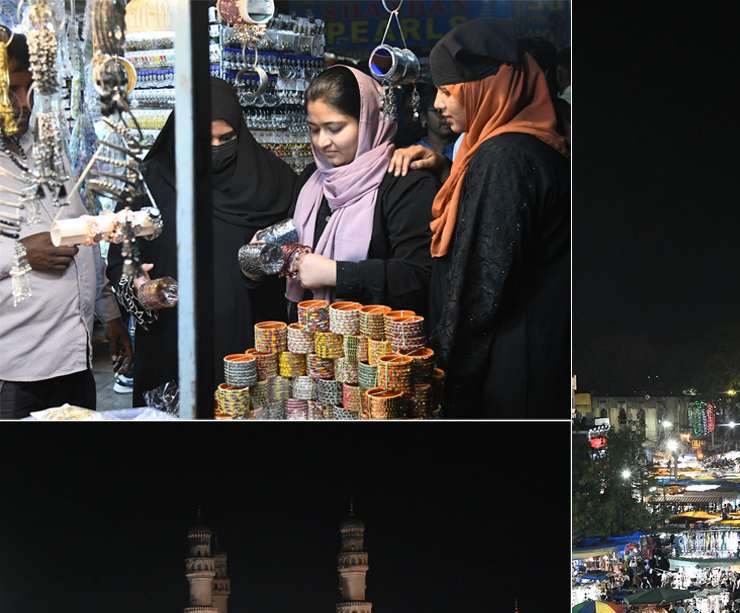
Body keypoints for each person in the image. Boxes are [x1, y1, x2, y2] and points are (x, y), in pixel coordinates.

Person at [390, 17, 569, 418]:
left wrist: (441, 386)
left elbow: (479, 293)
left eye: (448, 90)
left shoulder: (505, 157)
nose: (437, 103)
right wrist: (445, 172)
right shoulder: (514, 145)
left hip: (505, 374)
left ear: (486, 88)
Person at [109, 76, 295, 405]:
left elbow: (295, 261)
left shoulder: (274, 181)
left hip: (248, 344)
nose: (216, 148)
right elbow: (120, 260)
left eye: (227, 138)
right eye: (203, 139)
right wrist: (137, 283)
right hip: (173, 342)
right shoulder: (150, 181)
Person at [0, 33, 130, 417]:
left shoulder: (48, 146)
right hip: (15, 372)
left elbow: (80, 231)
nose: (22, 105)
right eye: (9, 92)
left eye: (27, 90)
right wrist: (23, 253)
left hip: (75, 361)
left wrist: (110, 314)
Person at [276, 65, 437, 312]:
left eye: (335, 128)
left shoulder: (405, 182)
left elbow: (417, 276)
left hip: (379, 345)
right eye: (314, 129)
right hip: (310, 341)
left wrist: (338, 274)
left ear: (368, 122)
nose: (322, 142)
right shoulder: (312, 177)